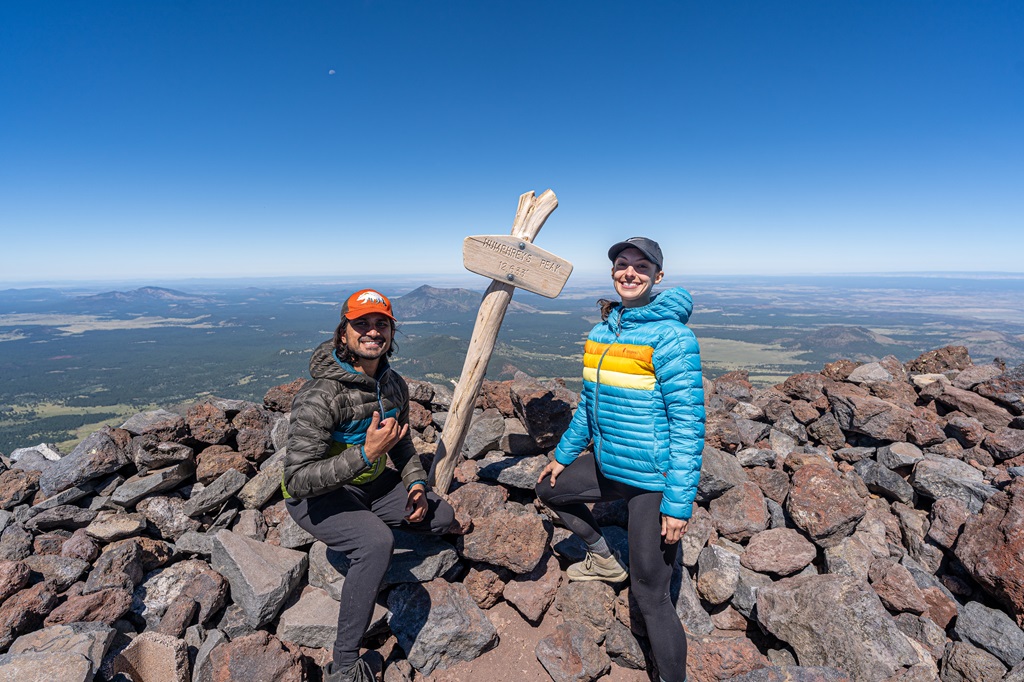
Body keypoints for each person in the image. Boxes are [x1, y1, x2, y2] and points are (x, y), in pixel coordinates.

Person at [536, 237, 704, 682]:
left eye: (641, 267)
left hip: (652, 481)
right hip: (611, 465)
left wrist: (677, 504)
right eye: (622, 265)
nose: (629, 273)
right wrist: (563, 455)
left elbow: (689, 427)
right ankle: (605, 558)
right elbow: (588, 407)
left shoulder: (673, 338)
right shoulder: (601, 333)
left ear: (658, 277)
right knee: (547, 488)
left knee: (651, 595)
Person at [283, 288, 455, 682]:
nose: (372, 332)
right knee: (376, 542)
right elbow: (296, 478)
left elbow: (404, 443)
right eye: (361, 324)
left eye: (381, 324)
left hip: (373, 484)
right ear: (343, 334)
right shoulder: (320, 395)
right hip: (318, 496)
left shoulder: (393, 385)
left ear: (391, 333)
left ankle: (371, 527)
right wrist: (364, 453)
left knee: (441, 515)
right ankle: (345, 663)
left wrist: (414, 484)